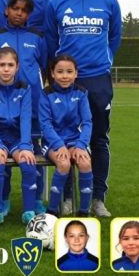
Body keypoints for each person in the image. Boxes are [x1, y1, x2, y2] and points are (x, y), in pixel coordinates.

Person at [45, 0, 122, 217]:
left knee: (98, 139)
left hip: (97, 79)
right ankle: (67, 197)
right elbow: (51, 41)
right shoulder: (56, 3)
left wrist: (104, 60)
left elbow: (115, 37)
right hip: (66, 82)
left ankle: (98, 198)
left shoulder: (108, 1)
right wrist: (59, 71)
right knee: (65, 139)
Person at [0, 0, 48, 215]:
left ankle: (37, 199)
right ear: (7, 10)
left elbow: (43, 66)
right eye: (15, 9)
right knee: (2, 153)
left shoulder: (37, 37)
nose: (19, 13)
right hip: (5, 109)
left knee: (34, 152)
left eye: (24, 10)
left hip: (32, 106)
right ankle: (3, 200)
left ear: (29, 14)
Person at [0, 47, 37, 231]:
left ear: (17, 67)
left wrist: (26, 145)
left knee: (28, 162)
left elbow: (26, 118)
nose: (6, 69)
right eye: (2, 65)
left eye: (10, 65)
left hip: (18, 137)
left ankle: (29, 213)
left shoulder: (25, 88)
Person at [40, 55, 93, 217]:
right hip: (52, 142)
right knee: (64, 163)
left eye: (69, 72)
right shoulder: (46, 94)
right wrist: (59, 145)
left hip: (75, 141)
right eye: (60, 71)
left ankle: (83, 213)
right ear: (53, 73)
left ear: (76, 73)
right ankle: (52, 212)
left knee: (85, 163)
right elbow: (45, 124)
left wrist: (81, 145)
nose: (65, 76)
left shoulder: (81, 93)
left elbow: (87, 122)